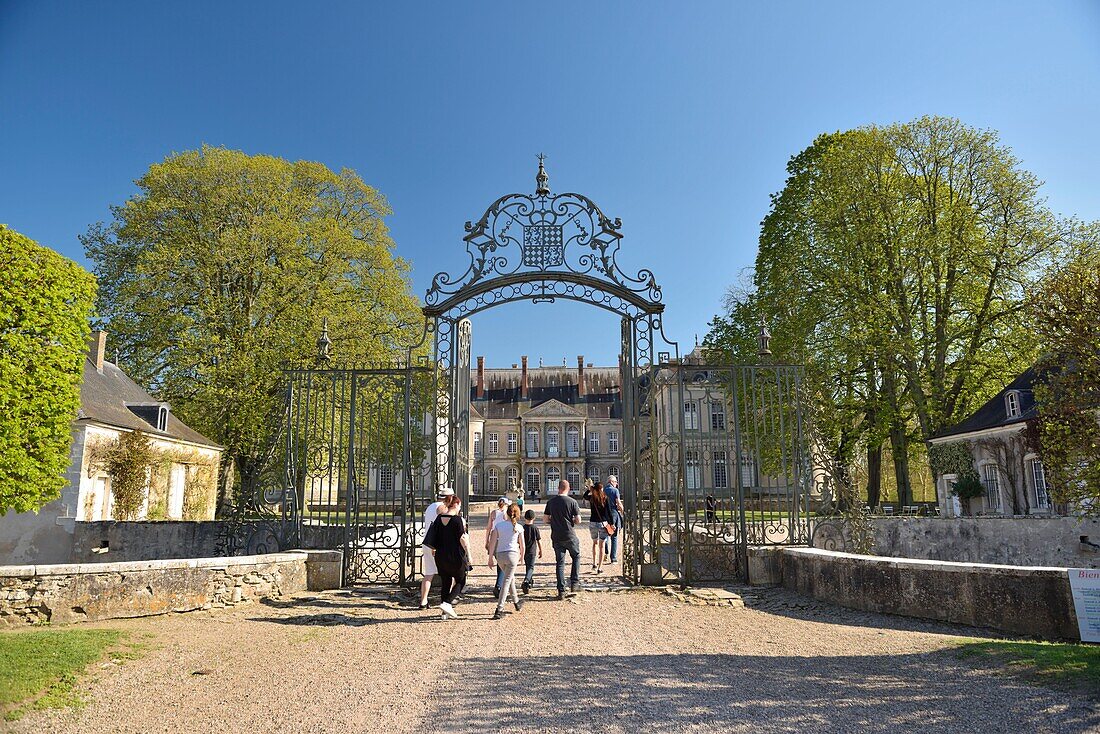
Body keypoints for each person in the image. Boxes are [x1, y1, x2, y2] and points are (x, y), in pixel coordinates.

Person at [422, 494, 468, 620]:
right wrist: (468, 553)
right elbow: (462, 539)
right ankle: (447, 603)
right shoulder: (457, 520)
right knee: (461, 580)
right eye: (459, 505)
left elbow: (433, 537)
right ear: (456, 504)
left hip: (440, 556)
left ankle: (444, 613)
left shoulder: (438, 518)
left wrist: (434, 549)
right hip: (455, 556)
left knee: (446, 582)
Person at [543, 478, 582, 599]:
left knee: (560, 563)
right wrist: (572, 521)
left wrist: (553, 522)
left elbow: (545, 519)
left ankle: (561, 590)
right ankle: (574, 583)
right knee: (576, 556)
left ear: (558, 488)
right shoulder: (572, 502)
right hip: (569, 535)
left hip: (556, 536)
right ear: (568, 489)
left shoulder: (551, 502)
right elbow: (578, 520)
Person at [418, 487, 455, 609]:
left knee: (429, 573)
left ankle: (423, 601)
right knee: (448, 572)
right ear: (449, 498)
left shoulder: (430, 507)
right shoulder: (443, 508)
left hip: (428, 542)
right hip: (438, 544)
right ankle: (447, 600)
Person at [487, 502, 524, 619]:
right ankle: (499, 608)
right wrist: (522, 556)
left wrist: (490, 558)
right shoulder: (519, 527)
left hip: (500, 556)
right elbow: (522, 545)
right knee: (507, 581)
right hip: (512, 555)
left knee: (510, 578)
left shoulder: (499, 526)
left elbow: (492, 543)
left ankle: (517, 602)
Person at [582, 481, 612, 574]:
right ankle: (600, 567)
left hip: (593, 523)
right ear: (601, 489)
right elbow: (609, 512)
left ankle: (594, 563)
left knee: (594, 543)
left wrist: (589, 489)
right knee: (602, 546)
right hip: (602, 523)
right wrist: (611, 523)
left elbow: (584, 496)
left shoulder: (592, 498)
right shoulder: (605, 498)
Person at [486, 496, 511, 595]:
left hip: (494, 539)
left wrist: (486, 541)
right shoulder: (507, 514)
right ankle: (499, 586)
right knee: (503, 565)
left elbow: (488, 528)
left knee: (499, 563)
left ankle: (499, 584)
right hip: (503, 540)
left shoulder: (493, 513)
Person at [604, 475, 626, 563]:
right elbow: (618, 503)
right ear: (612, 482)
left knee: (605, 535)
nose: (617, 484)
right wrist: (623, 512)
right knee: (614, 537)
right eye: (616, 482)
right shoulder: (615, 490)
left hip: (605, 515)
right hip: (613, 514)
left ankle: (605, 551)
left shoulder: (603, 491)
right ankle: (613, 558)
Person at [521, 509, 542, 594]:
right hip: (532, 550)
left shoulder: (522, 528)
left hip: (524, 550)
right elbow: (538, 540)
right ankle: (526, 581)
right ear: (534, 518)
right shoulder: (535, 528)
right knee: (531, 567)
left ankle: (530, 582)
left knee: (528, 566)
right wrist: (541, 550)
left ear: (524, 518)